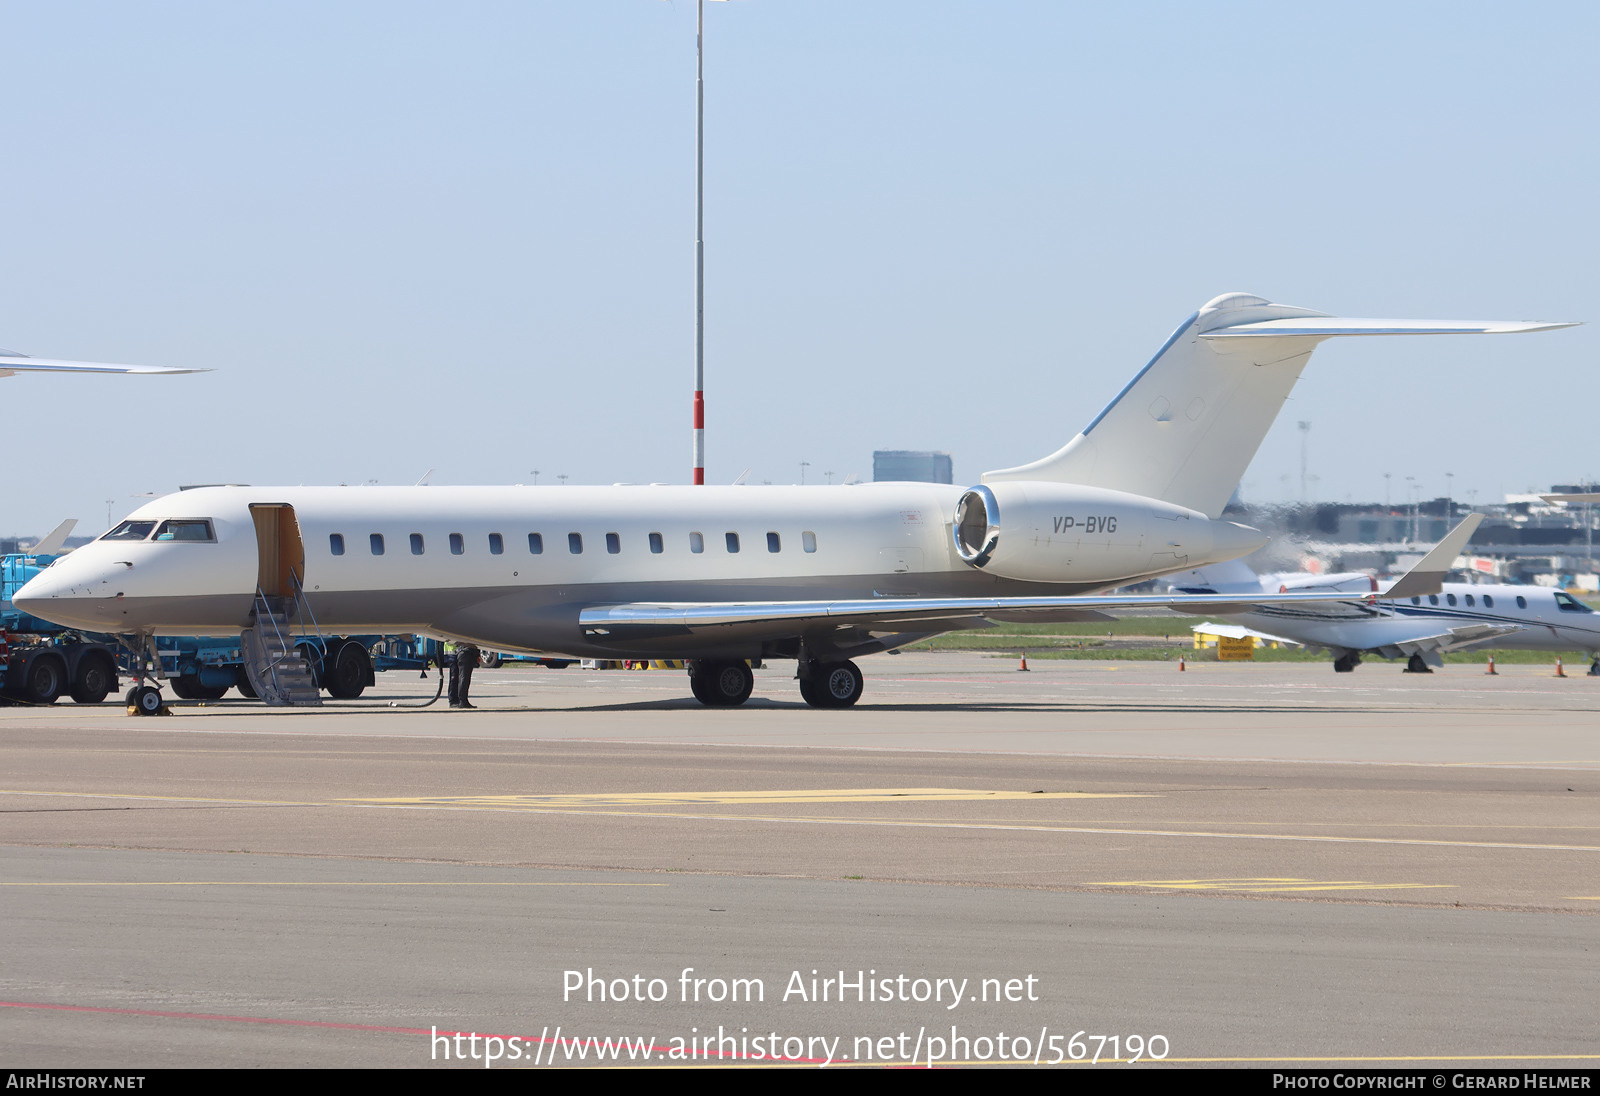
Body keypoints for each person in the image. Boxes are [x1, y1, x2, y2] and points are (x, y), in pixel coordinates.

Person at [448, 643, 480, 708]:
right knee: (456, 678)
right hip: (454, 654)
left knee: (460, 678)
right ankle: (455, 700)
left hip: (459, 652)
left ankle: (459, 700)